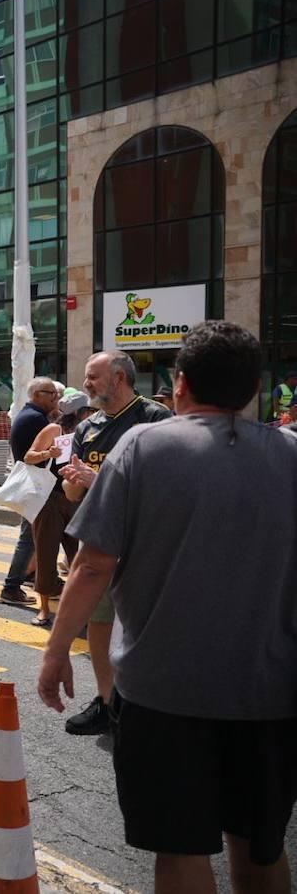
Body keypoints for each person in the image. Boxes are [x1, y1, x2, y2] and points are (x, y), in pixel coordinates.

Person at [39, 322, 297, 894]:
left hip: (162, 694)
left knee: (180, 853)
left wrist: (57, 652)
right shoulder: (291, 456)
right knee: (260, 848)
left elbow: (90, 565)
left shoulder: (142, 448)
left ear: (178, 386)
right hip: (271, 694)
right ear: (254, 388)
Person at [56, 350, 171, 736]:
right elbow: (73, 495)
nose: (85, 384)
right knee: (99, 622)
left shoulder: (155, 419)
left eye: (92, 377)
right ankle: (107, 703)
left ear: (119, 378)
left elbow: (165, 487)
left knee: (143, 625)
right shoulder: (87, 429)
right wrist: (73, 480)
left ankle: (146, 701)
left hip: (143, 543)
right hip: (100, 541)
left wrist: (97, 478)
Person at [21, 390, 92, 627]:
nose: (91, 415)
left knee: (78, 558)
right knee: (46, 554)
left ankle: (79, 607)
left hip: (76, 500)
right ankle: (43, 609)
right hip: (49, 500)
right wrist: (47, 453)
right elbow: (28, 456)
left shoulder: (90, 433)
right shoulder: (54, 430)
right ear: (78, 413)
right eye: (88, 412)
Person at [0, 378, 59, 608]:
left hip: (34, 484)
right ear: (36, 395)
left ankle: (32, 577)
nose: (56, 398)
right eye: (50, 393)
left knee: (34, 538)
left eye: (56, 393)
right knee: (29, 538)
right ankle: (11, 586)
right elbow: (35, 453)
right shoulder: (36, 419)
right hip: (36, 486)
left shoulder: (30, 415)